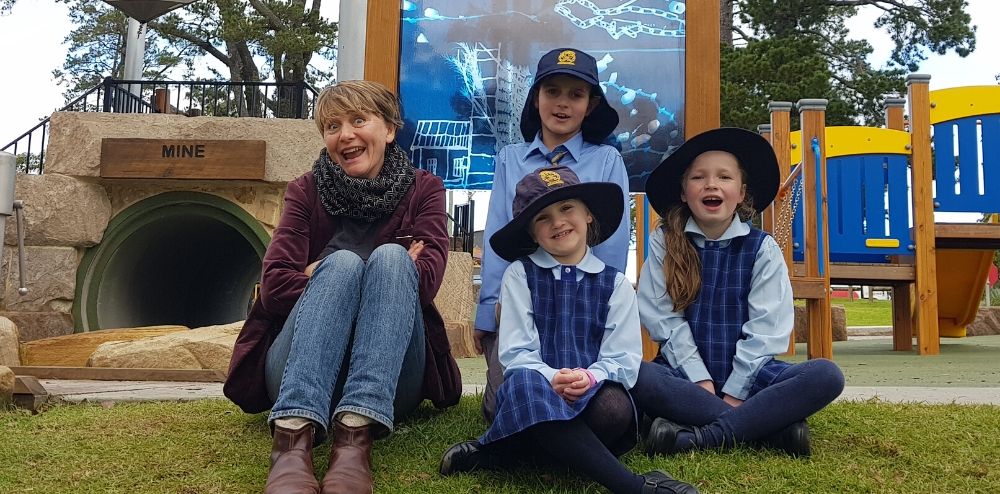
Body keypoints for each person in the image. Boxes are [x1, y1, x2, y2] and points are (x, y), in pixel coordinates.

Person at [223, 80, 461, 494]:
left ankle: (354, 438)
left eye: (358, 120)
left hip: (391, 380)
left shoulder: (424, 190)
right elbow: (276, 286)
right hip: (299, 371)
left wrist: (326, 272)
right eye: (332, 126)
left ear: (388, 129)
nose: (345, 135)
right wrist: (344, 276)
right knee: (348, 264)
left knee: (385, 261)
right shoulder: (305, 190)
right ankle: (292, 440)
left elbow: (423, 287)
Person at [440, 166, 698, 494]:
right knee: (525, 389)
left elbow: (624, 356)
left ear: (588, 214)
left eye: (566, 209)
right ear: (532, 233)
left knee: (615, 409)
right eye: (543, 218)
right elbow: (516, 352)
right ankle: (633, 486)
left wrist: (590, 377)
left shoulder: (615, 284)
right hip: (536, 386)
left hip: (590, 390)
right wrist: (551, 378)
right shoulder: (520, 275)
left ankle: (508, 452)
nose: (558, 222)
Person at [632, 127, 845, 458]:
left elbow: (766, 328)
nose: (711, 184)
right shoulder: (665, 243)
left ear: (742, 193)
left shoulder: (762, 248)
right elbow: (662, 318)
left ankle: (699, 437)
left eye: (724, 177)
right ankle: (768, 429)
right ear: (684, 192)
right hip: (683, 373)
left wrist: (734, 391)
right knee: (637, 374)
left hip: (751, 372)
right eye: (698, 177)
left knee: (825, 375)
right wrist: (700, 382)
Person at [476, 47, 630, 423]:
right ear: (536, 98)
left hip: (583, 307)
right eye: (552, 92)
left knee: (592, 402)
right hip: (522, 304)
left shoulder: (607, 161)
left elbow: (611, 243)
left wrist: (596, 302)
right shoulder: (510, 159)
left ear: (591, 105)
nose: (563, 104)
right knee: (501, 406)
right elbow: (498, 233)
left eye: (576, 95)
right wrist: (489, 311)